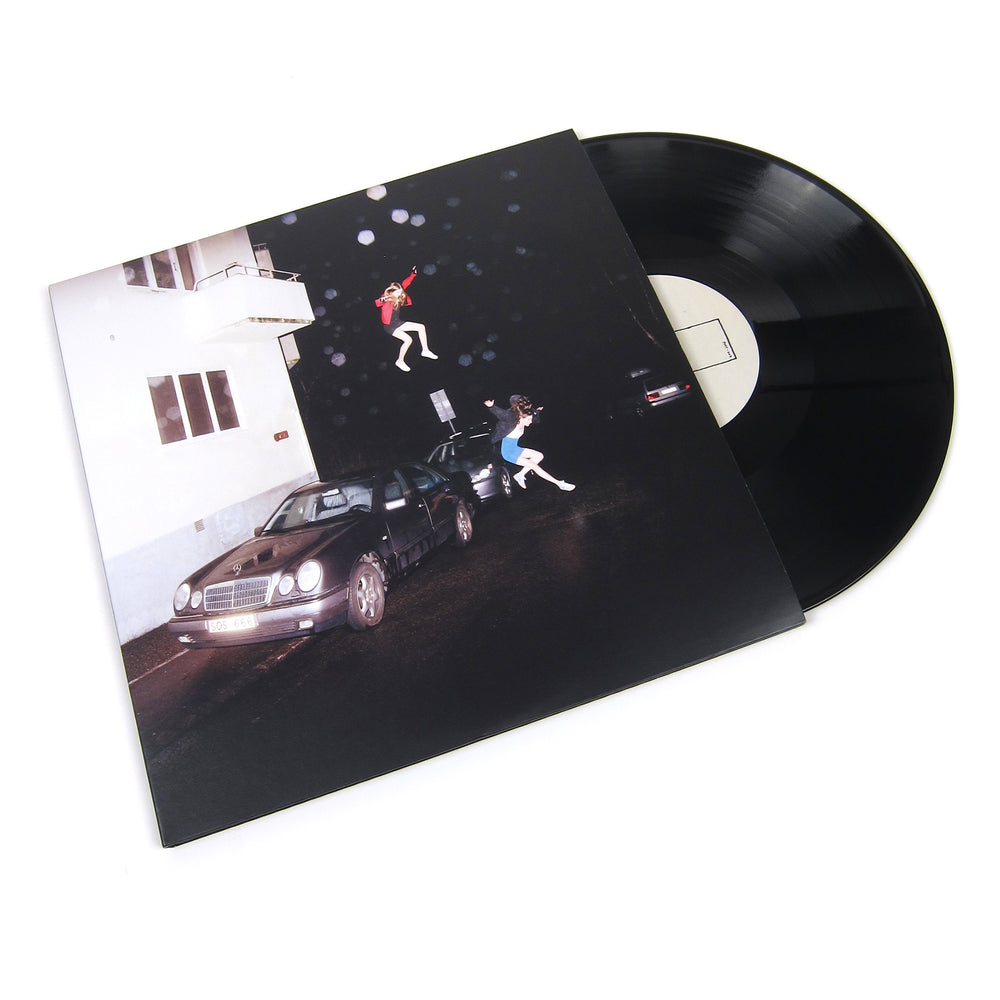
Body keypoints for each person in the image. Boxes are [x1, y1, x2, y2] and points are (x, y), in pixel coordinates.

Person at [484, 395, 575, 491]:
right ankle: (559, 483)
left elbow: (535, 418)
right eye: (528, 420)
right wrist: (492, 407)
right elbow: (503, 415)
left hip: (515, 449)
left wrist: (537, 412)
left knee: (539, 456)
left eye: (531, 419)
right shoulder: (511, 421)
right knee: (534, 466)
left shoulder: (524, 417)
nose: (530, 422)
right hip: (508, 453)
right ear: (521, 418)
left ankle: (520, 475)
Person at [375, 266, 438, 372]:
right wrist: (384, 299)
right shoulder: (387, 297)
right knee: (408, 340)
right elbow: (377, 302)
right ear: (391, 292)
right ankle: (400, 361)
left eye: (400, 292)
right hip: (389, 326)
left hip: (398, 323)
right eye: (397, 293)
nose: (400, 294)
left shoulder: (400, 293)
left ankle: (425, 350)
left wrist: (413, 274)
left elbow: (405, 283)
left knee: (421, 327)